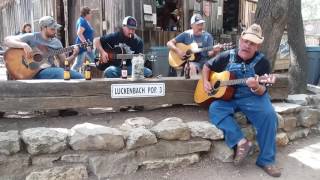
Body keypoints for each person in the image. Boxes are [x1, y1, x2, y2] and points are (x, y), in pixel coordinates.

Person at [202, 24, 281, 177]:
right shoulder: (226, 56)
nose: (247, 45)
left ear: (257, 46)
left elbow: (263, 90)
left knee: (269, 115)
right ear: (240, 41)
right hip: (228, 97)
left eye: (252, 43)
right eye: (245, 41)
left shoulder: (262, 63)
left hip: (253, 97)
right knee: (215, 108)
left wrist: (256, 86)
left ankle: (267, 160)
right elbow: (206, 66)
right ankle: (240, 141)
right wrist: (206, 81)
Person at [4, 16, 83, 79]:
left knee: (79, 76)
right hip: (34, 71)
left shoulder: (56, 42)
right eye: (52, 29)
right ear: (43, 28)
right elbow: (7, 40)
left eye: (55, 29)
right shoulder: (32, 37)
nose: (55, 31)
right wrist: (24, 45)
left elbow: (64, 61)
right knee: (62, 73)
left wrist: (74, 55)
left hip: (51, 69)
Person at [71, 7, 95, 72]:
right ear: (86, 14)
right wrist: (86, 45)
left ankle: (100, 73)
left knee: (95, 61)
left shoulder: (84, 21)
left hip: (87, 46)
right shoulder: (82, 21)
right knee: (78, 64)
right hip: (83, 46)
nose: (91, 15)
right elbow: (79, 33)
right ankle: (70, 74)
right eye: (90, 13)